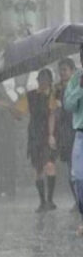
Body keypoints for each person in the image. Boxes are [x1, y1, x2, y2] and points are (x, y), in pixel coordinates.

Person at [16, 68, 58, 212]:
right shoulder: (30, 96)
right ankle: (42, 202)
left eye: (46, 80)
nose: (43, 82)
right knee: (38, 168)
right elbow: (19, 114)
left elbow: (52, 114)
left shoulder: (53, 95)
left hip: (47, 133)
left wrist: (51, 134)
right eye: (41, 79)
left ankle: (50, 200)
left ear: (50, 81)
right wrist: (13, 110)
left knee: (50, 165)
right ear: (38, 80)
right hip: (34, 135)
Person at [61, 51, 83, 236]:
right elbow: (68, 105)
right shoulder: (76, 80)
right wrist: (80, 89)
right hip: (80, 134)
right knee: (78, 177)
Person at [54, 58, 77, 199]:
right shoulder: (58, 90)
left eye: (65, 70)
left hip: (78, 128)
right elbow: (56, 113)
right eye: (60, 70)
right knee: (71, 168)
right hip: (66, 131)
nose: (62, 73)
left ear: (72, 71)